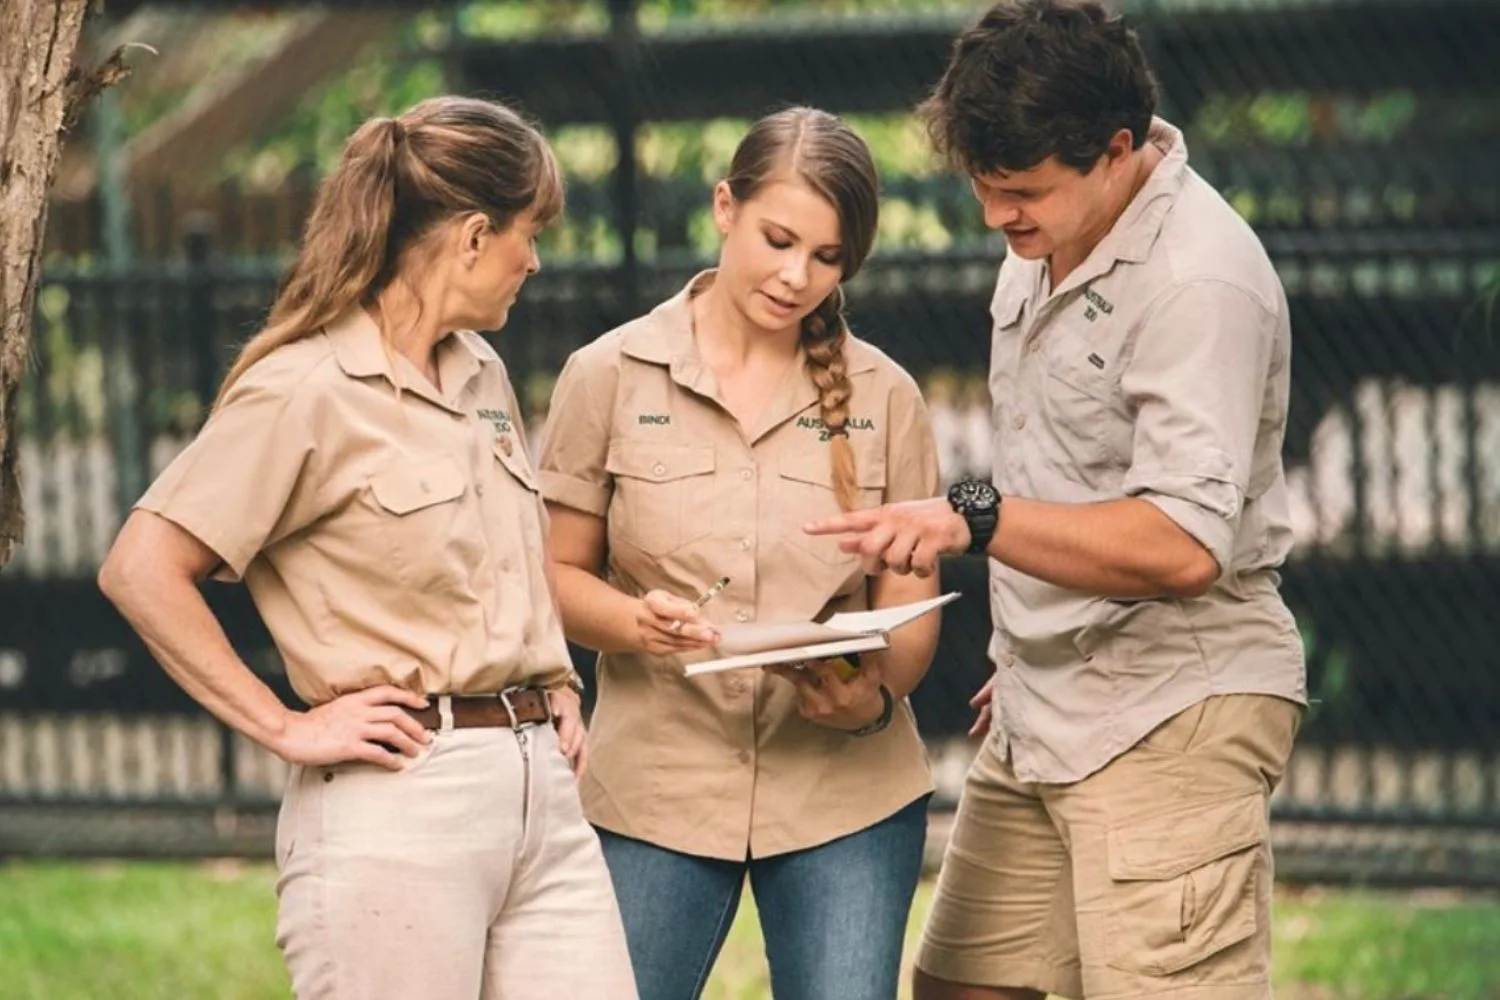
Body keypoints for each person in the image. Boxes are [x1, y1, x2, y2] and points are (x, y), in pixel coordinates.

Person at [806, 3, 1308, 998]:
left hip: (1172, 703)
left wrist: (974, 518)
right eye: (986, 190)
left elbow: (1180, 544)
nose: (999, 217)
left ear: (1117, 150)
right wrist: (1030, 650)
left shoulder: (1198, 280)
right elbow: (1068, 469)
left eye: (1022, 192)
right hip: (1047, 704)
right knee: (961, 982)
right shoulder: (1055, 227)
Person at [97, 97, 637, 1000]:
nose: (534, 261)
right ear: (471, 238)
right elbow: (141, 568)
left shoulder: (481, 371)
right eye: (527, 235)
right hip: (400, 806)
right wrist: (284, 724)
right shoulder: (304, 386)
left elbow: (504, 557)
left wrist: (556, 686)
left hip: (541, 791)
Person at [537, 107, 941, 1000]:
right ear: (725, 207)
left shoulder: (889, 397)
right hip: (654, 789)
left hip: (848, 794)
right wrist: (640, 624)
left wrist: (872, 695)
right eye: (778, 239)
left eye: (827, 258)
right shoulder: (606, 375)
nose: (797, 276)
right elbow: (555, 577)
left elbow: (911, 617)